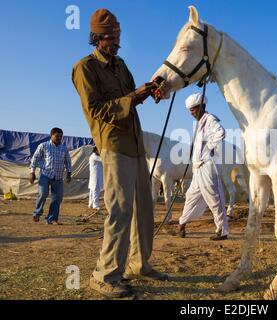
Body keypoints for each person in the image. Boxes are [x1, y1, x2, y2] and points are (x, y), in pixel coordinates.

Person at [71, 8, 167, 298]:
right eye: (109, 37)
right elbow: (97, 110)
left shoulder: (121, 65)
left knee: (144, 208)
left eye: (117, 35)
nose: (115, 40)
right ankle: (105, 275)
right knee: (119, 210)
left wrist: (150, 92)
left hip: (136, 144)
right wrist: (134, 96)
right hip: (114, 146)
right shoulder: (84, 68)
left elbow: (131, 99)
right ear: (96, 38)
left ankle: (139, 264)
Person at [178, 93, 229, 241]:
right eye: (190, 110)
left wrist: (208, 148)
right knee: (190, 196)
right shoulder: (200, 122)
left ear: (201, 107)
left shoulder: (210, 119)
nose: (191, 113)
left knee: (214, 199)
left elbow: (221, 133)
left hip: (207, 166)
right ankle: (181, 224)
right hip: (197, 168)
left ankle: (222, 230)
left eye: (193, 110)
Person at [29, 127, 72, 225]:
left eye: (61, 137)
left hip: (58, 177)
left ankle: (52, 219)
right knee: (43, 193)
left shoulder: (64, 148)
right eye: (57, 136)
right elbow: (35, 159)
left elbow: (68, 162)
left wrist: (69, 174)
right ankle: (37, 213)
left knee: (57, 198)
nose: (59, 138)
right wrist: (32, 172)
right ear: (51, 135)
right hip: (45, 175)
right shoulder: (43, 146)